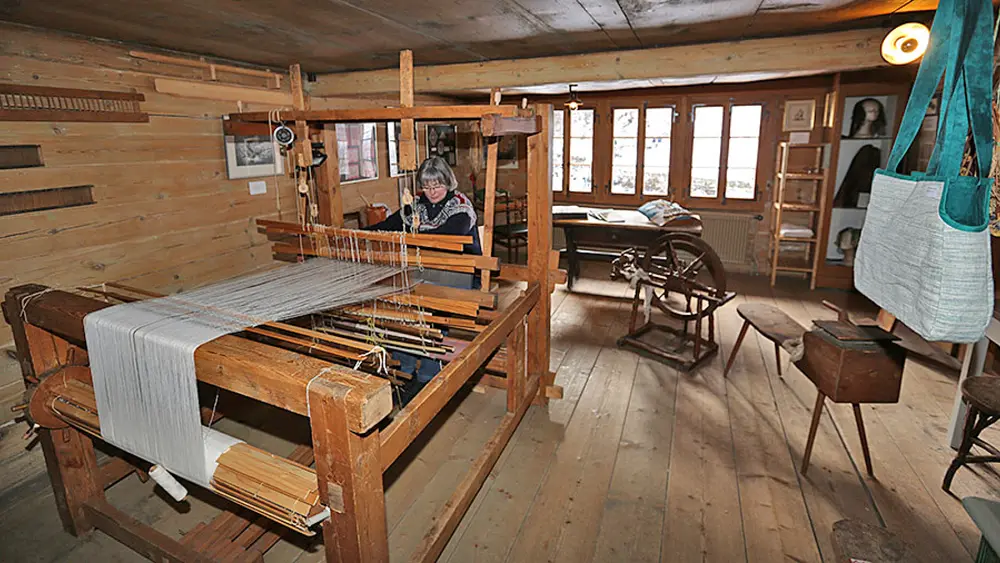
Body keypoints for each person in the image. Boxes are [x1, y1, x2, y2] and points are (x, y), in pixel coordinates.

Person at [365, 156, 482, 403]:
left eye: (437, 186)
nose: (432, 192)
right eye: (427, 186)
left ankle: (428, 373)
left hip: (457, 272)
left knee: (428, 313)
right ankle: (404, 367)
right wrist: (355, 234)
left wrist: (411, 235)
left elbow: (447, 239)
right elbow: (388, 225)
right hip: (423, 269)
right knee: (399, 307)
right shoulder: (416, 204)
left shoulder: (460, 206)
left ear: (448, 182)